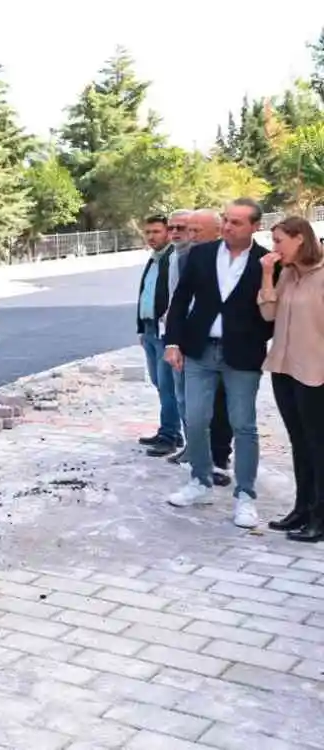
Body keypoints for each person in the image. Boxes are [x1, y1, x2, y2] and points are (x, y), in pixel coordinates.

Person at [164, 199, 273, 526]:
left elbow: (272, 311)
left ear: (255, 226)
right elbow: (181, 299)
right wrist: (173, 342)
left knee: (244, 425)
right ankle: (199, 481)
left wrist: (254, 335)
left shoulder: (267, 261)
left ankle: (245, 496)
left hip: (242, 355)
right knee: (196, 419)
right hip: (199, 351)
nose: (227, 227)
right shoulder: (201, 254)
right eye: (226, 220)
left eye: (237, 222)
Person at [258, 216, 324, 542]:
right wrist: (268, 274)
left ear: (300, 239)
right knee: (299, 442)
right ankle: (302, 508)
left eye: (279, 241)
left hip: (316, 373)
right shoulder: (287, 274)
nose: (275, 248)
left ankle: (320, 517)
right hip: (284, 369)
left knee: (318, 445)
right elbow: (268, 315)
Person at [161, 209, 233, 485]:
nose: (189, 236)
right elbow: (178, 302)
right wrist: (174, 340)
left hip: (228, 345)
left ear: (217, 231)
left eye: (195, 231)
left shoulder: (232, 259)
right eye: (185, 230)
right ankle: (199, 458)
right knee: (195, 404)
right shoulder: (184, 258)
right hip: (194, 344)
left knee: (226, 407)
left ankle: (219, 459)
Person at [135, 215, 181, 455]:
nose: (151, 236)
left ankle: (169, 436)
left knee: (167, 386)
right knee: (158, 382)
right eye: (148, 232)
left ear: (168, 232)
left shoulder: (173, 258)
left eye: (156, 231)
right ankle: (174, 431)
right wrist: (142, 329)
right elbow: (145, 295)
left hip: (166, 334)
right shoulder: (154, 259)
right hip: (150, 330)